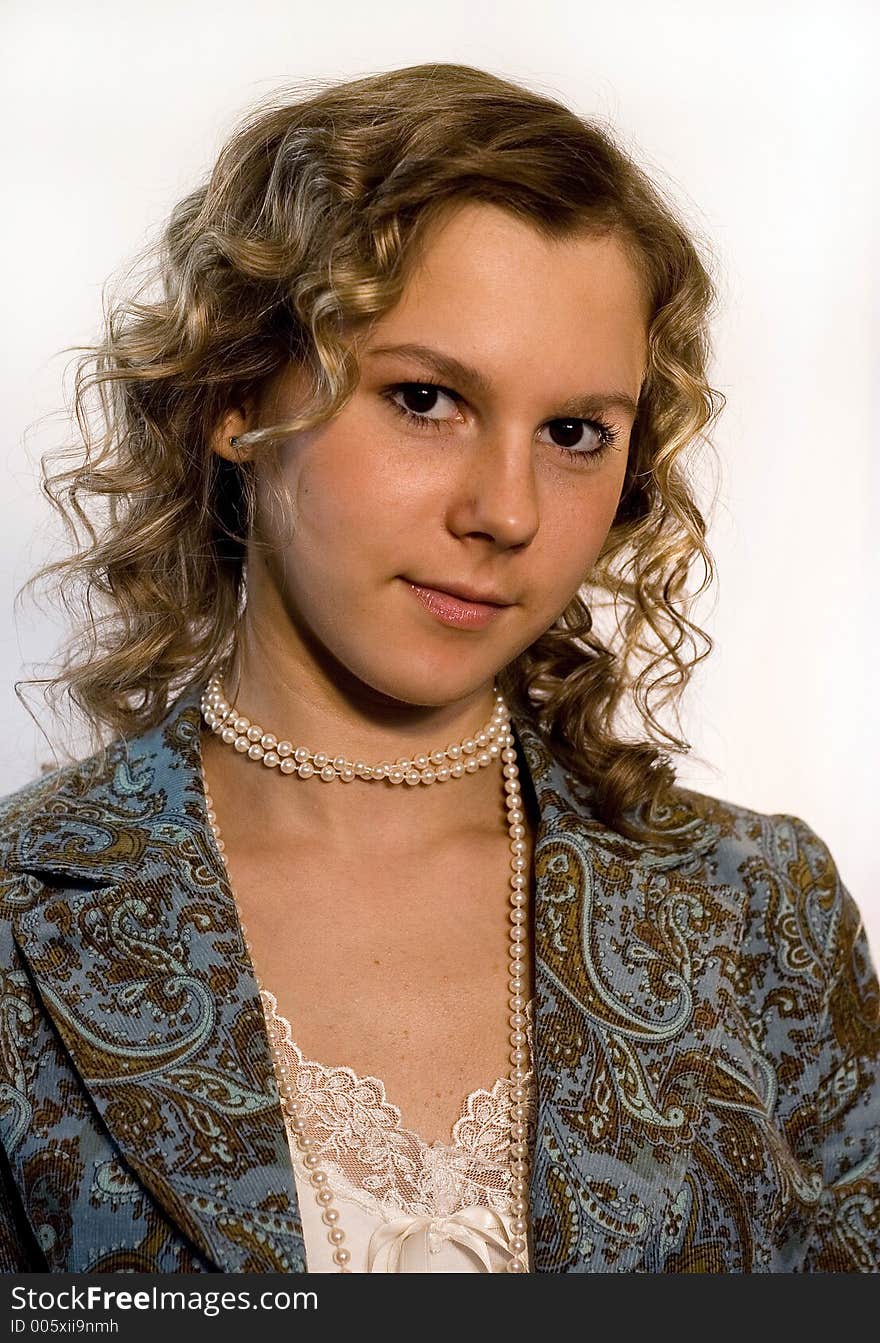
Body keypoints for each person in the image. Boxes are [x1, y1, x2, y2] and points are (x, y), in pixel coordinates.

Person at [0, 61, 877, 1275]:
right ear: (235, 394)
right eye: (425, 398)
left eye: (575, 433)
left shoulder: (759, 911)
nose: (506, 510)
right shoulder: (16, 923)